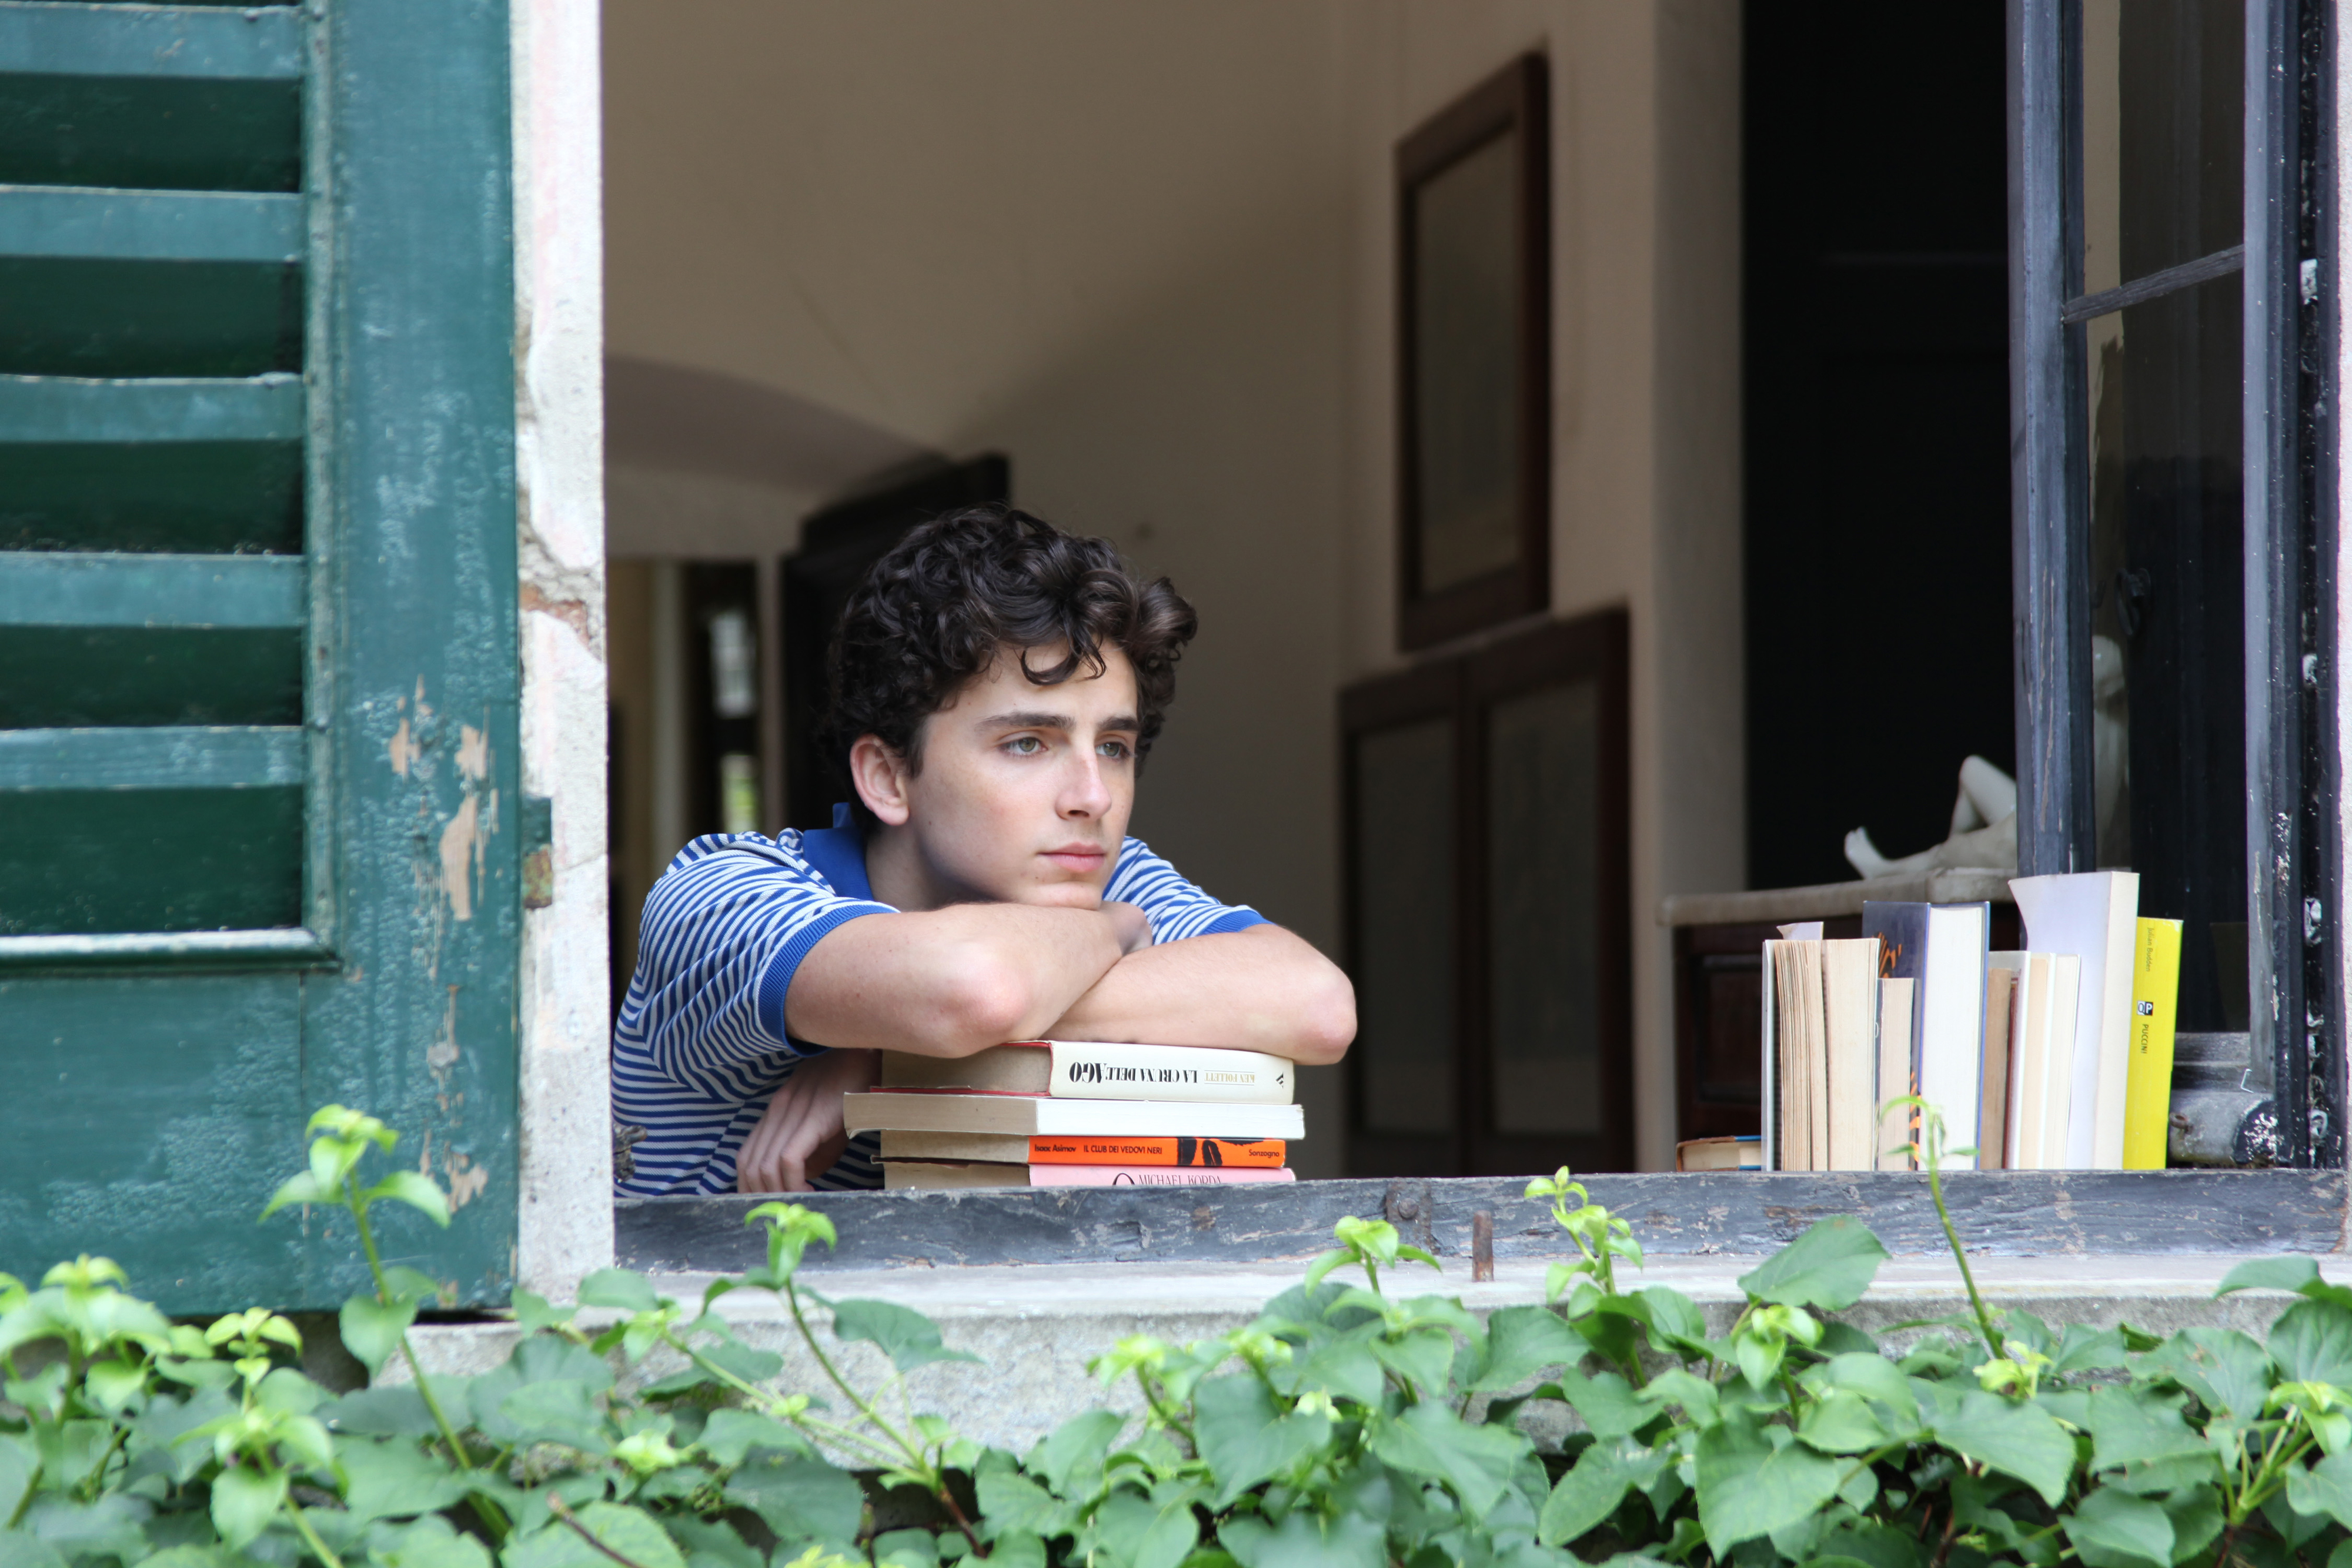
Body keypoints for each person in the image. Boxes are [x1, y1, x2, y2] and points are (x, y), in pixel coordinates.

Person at [612, 504, 1357, 1195]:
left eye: (1113, 746)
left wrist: (881, 1052)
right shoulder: (721, 893)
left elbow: (1317, 1005)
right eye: (1027, 743)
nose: (1093, 798)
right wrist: (1114, 929)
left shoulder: (1093, 871)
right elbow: (976, 988)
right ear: (889, 777)